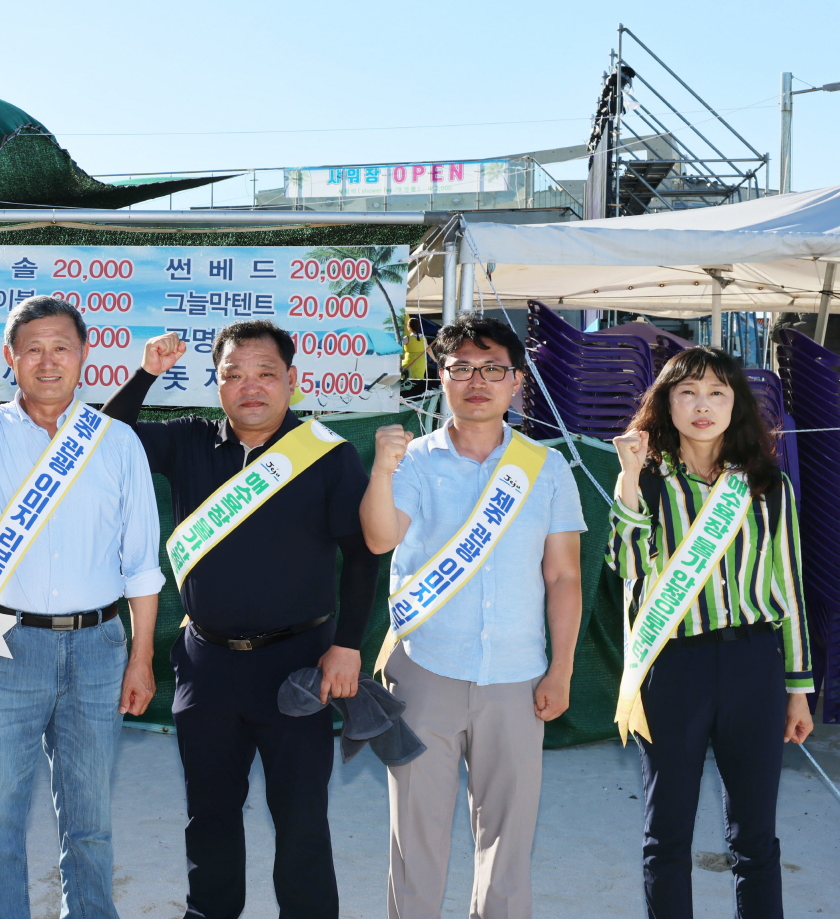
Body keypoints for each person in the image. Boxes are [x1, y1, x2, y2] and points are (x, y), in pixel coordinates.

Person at [99, 321, 379, 919]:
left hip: (299, 663)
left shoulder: (327, 456)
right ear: (216, 383)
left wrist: (348, 647)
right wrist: (146, 371)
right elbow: (104, 437)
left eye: (265, 374)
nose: (250, 387)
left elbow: (361, 556)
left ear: (293, 383)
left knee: (302, 821)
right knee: (211, 818)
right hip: (207, 666)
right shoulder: (190, 441)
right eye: (233, 374)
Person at [0, 295, 164, 919]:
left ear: (84, 357)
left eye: (61, 348)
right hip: (5, 645)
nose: (48, 362)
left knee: (90, 817)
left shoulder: (117, 441)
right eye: (33, 349)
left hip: (99, 648)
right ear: (10, 359)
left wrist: (142, 657)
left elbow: (142, 565)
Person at [360, 313, 585, 919]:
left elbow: (563, 576)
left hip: (517, 677)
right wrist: (382, 470)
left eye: (493, 368)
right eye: (461, 368)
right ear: (442, 377)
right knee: (416, 839)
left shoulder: (546, 467)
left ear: (517, 381)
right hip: (424, 669)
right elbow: (380, 540)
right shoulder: (414, 460)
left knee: (509, 842)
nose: (477, 380)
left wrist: (560, 669)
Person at [608, 346, 813, 919]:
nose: (703, 405)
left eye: (717, 393)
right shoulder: (645, 479)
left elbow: (789, 591)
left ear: (736, 405)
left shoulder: (768, 486)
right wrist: (627, 478)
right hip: (671, 668)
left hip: (754, 666)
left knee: (755, 837)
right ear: (665, 404)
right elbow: (622, 565)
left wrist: (798, 688)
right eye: (688, 392)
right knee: (666, 833)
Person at [400, 317, 429, 399]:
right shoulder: (423, 338)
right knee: (418, 381)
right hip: (421, 363)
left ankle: (406, 397)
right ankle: (417, 397)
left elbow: (397, 346)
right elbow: (429, 349)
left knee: (406, 381)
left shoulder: (407, 338)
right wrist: (435, 360)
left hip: (409, 363)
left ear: (408, 327)